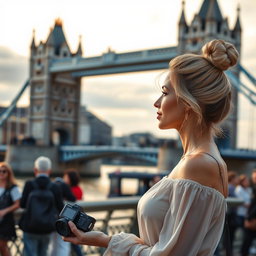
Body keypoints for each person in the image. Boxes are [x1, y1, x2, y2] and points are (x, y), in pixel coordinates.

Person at [63, 39, 239, 255]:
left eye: (165, 93)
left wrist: (106, 240)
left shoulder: (199, 164)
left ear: (189, 102)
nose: (157, 102)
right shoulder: (194, 160)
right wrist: (104, 240)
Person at [20, 156, 63, 256]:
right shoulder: (55, 187)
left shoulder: (29, 184)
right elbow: (60, 208)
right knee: (43, 253)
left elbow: (22, 204)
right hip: (47, 228)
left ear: (35, 170)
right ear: (49, 171)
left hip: (30, 226)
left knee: (30, 253)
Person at [48, 176, 76, 256]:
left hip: (50, 220)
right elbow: (72, 199)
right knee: (63, 245)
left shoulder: (51, 186)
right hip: (62, 221)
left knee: (52, 245)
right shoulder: (64, 186)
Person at [0, 162, 21, 256]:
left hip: (6, 221)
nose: (1, 173)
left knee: (3, 246)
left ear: (8, 173)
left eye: (4, 171)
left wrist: (5, 211)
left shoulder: (13, 188)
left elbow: (18, 204)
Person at [63, 169, 84, 256]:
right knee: (75, 244)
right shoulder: (79, 189)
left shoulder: (69, 190)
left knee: (70, 243)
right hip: (78, 219)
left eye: (65, 177)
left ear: (69, 179)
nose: (63, 179)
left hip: (70, 219)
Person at [240, 169, 256, 256]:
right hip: (251, 217)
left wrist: (249, 218)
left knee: (247, 240)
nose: (254, 179)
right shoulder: (253, 188)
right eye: (253, 177)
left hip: (252, 218)